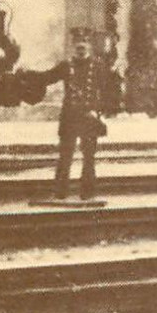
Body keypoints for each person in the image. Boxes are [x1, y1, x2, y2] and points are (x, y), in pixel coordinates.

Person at [54, 29, 112, 200]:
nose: (81, 46)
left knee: (88, 157)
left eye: (84, 42)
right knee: (65, 156)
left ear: (89, 45)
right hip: (70, 118)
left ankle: (87, 193)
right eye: (78, 43)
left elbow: (108, 92)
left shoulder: (98, 67)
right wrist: (27, 74)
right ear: (73, 46)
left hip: (89, 118)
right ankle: (60, 193)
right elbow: (47, 77)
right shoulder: (65, 66)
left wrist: (97, 110)